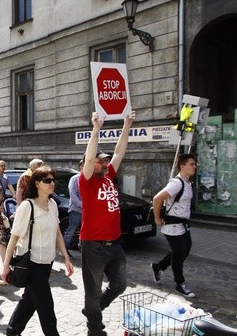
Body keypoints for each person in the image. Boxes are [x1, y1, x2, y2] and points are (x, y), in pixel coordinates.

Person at [79, 111, 134, 336]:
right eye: (100, 161)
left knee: (120, 284)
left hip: (115, 244)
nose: (104, 162)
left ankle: (94, 310)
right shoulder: (87, 181)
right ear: (91, 165)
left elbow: (120, 151)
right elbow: (90, 156)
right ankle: (95, 328)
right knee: (92, 291)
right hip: (94, 245)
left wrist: (127, 124)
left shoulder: (109, 175)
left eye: (104, 160)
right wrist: (96, 129)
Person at [2, 166, 74, 336]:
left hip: (47, 261)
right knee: (45, 305)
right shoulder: (27, 207)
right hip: (32, 262)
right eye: (47, 180)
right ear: (37, 183)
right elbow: (14, 237)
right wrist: (6, 265)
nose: (52, 183)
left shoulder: (53, 204)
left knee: (29, 301)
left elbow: (57, 232)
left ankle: (12, 332)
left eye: (53, 180)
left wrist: (65, 257)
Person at [150, 153, 197, 298]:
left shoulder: (189, 183)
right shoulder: (177, 183)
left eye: (194, 164)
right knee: (179, 253)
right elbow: (157, 198)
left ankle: (158, 267)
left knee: (184, 250)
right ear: (182, 166)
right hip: (172, 224)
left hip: (183, 224)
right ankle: (179, 283)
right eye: (191, 164)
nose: (194, 166)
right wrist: (157, 218)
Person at [64, 160, 84, 258]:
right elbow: (73, 194)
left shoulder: (91, 178)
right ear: (81, 167)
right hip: (76, 210)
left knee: (84, 231)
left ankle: (84, 250)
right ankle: (64, 251)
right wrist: (82, 205)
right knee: (71, 231)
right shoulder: (75, 179)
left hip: (88, 211)